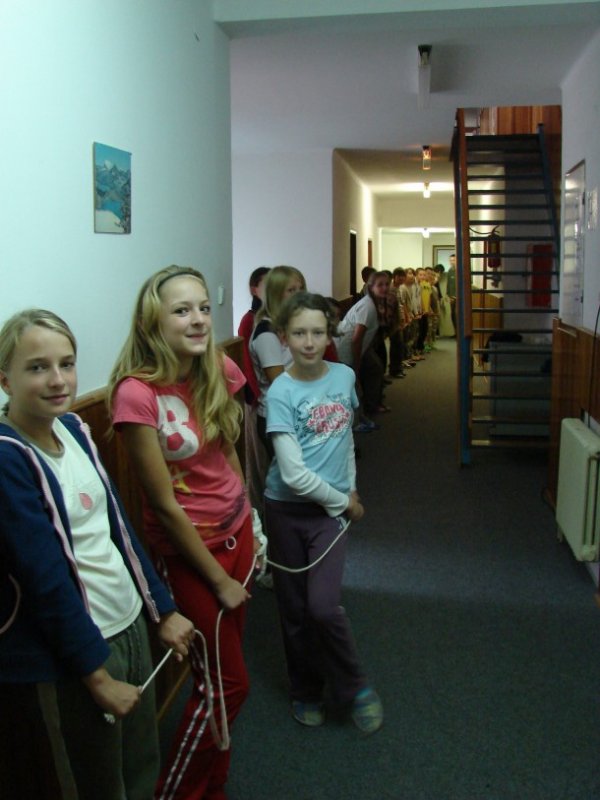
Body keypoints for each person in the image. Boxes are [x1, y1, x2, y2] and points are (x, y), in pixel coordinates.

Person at [0, 308, 194, 800]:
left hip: (127, 623)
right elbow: (44, 578)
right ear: (5, 380)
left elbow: (118, 530)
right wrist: (95, 674)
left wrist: (161, 609)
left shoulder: (73, 429)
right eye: (38, 367)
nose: (58, 379)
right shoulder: (8, 456)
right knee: (98, 780)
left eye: (66, 364)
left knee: (141, 761)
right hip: (80, 647)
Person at [108, 266, 255, 800]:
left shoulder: (216, 366)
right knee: (226, 685)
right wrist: (218, 580)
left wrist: (252, 519)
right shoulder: (136, 393)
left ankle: (214, 786)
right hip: (194, 556)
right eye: (181, 310)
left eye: (203, 308)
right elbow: (164, 507)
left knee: (223, 681)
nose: (198, 320)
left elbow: (227, 450)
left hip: (238, 536)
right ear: (154, 321)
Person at [264, 291, 383, 734]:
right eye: (299, 333)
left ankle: (354, 685)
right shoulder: (281, 391)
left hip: (328, 514)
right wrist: (345, 502)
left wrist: (350, 486)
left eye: (317, 332)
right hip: (287, 511)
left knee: (323, 607)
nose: (310, 342)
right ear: (284, 337)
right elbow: (293, 475)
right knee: (295, 610)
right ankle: (306, 689)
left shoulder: (344, 376)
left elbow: (346, 438)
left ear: (330, 334)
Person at [249, 265, 306, 460]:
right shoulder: (267, 333)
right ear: (275, 294)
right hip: (278, 417)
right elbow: (280, 383)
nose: (299, 295)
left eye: (301, 289)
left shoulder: (288, 324)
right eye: (291, 290)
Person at [237, 267, 271, 514]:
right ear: (254, 289)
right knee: (259, 463)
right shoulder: (250, 321)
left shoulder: (274, 320)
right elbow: (246, 362)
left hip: (271, 400)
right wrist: (255, 396)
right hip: (257, 400)